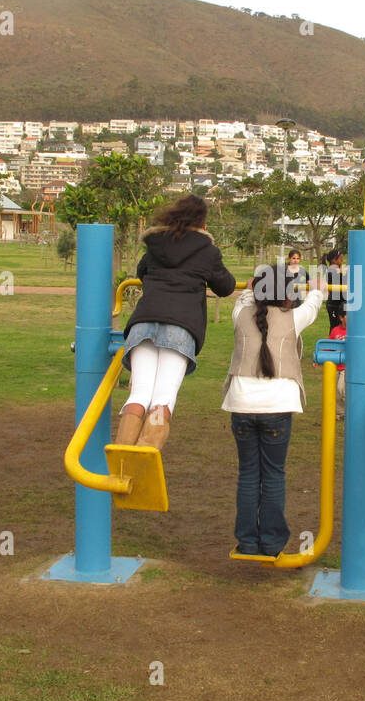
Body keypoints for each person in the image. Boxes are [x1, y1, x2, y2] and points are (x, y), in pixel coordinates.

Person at [117, 194, 235, 451]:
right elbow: (225, 286)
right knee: (162, 400)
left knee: (139, 394)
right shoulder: (207, 250)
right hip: (181, 326)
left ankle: (122, 457)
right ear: (203, 222)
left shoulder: (156, 243)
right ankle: (144, 457)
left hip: (144, 322)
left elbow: (142, 271)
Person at [223, 263, 326, 556]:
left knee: (248, 474)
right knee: (273, 474)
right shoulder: (294, 317)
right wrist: (319, 283)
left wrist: (251, 285)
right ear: (287, 293)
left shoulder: (240, 314)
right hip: (278, 406)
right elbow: (316, 299)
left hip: (241, 404)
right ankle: (270, 541)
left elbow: (245, 297)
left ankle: (247, 540)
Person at [328, 313, 348, 420]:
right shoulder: (335, 331)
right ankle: (341, 413)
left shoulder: (355, 332)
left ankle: (351, 411)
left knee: (341, 389)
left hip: (347, 367)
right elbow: (328, 346)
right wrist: (319, 357)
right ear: (341, 317)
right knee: (335, 391)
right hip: (336, 367)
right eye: (347, 316)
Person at [323, 249, 347, 331]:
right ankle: (331, 342)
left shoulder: (337, 271)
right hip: (334, 304)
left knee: (339, 327)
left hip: (339, 303)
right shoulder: (331, 270)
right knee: (335, 328)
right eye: (340, 259)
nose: (342, 261)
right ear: (334, 260)